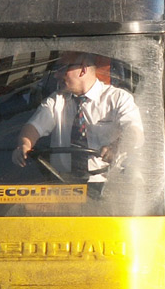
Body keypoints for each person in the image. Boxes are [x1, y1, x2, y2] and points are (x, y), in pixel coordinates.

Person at [11, 51, 143, 188]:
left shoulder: (118, 99)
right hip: (61, 185)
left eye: (61, 69)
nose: (56, 75)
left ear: (83, 69)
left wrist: (116, 147)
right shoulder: (57, 100)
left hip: (107, 186)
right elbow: (34, 127)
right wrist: (25, 144)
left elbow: (134, 132)